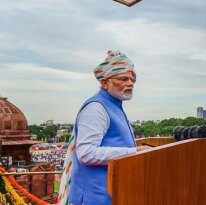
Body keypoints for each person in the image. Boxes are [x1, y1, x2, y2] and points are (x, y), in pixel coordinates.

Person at [58, 50, 151, 205]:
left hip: (111, 194)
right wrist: (135, 152)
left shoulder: (114, 105)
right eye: (124, 78)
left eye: (133, 80)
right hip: (95, 197)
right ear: (105, 82)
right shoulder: (96, 108)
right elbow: (87, 153)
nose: (130, 83)